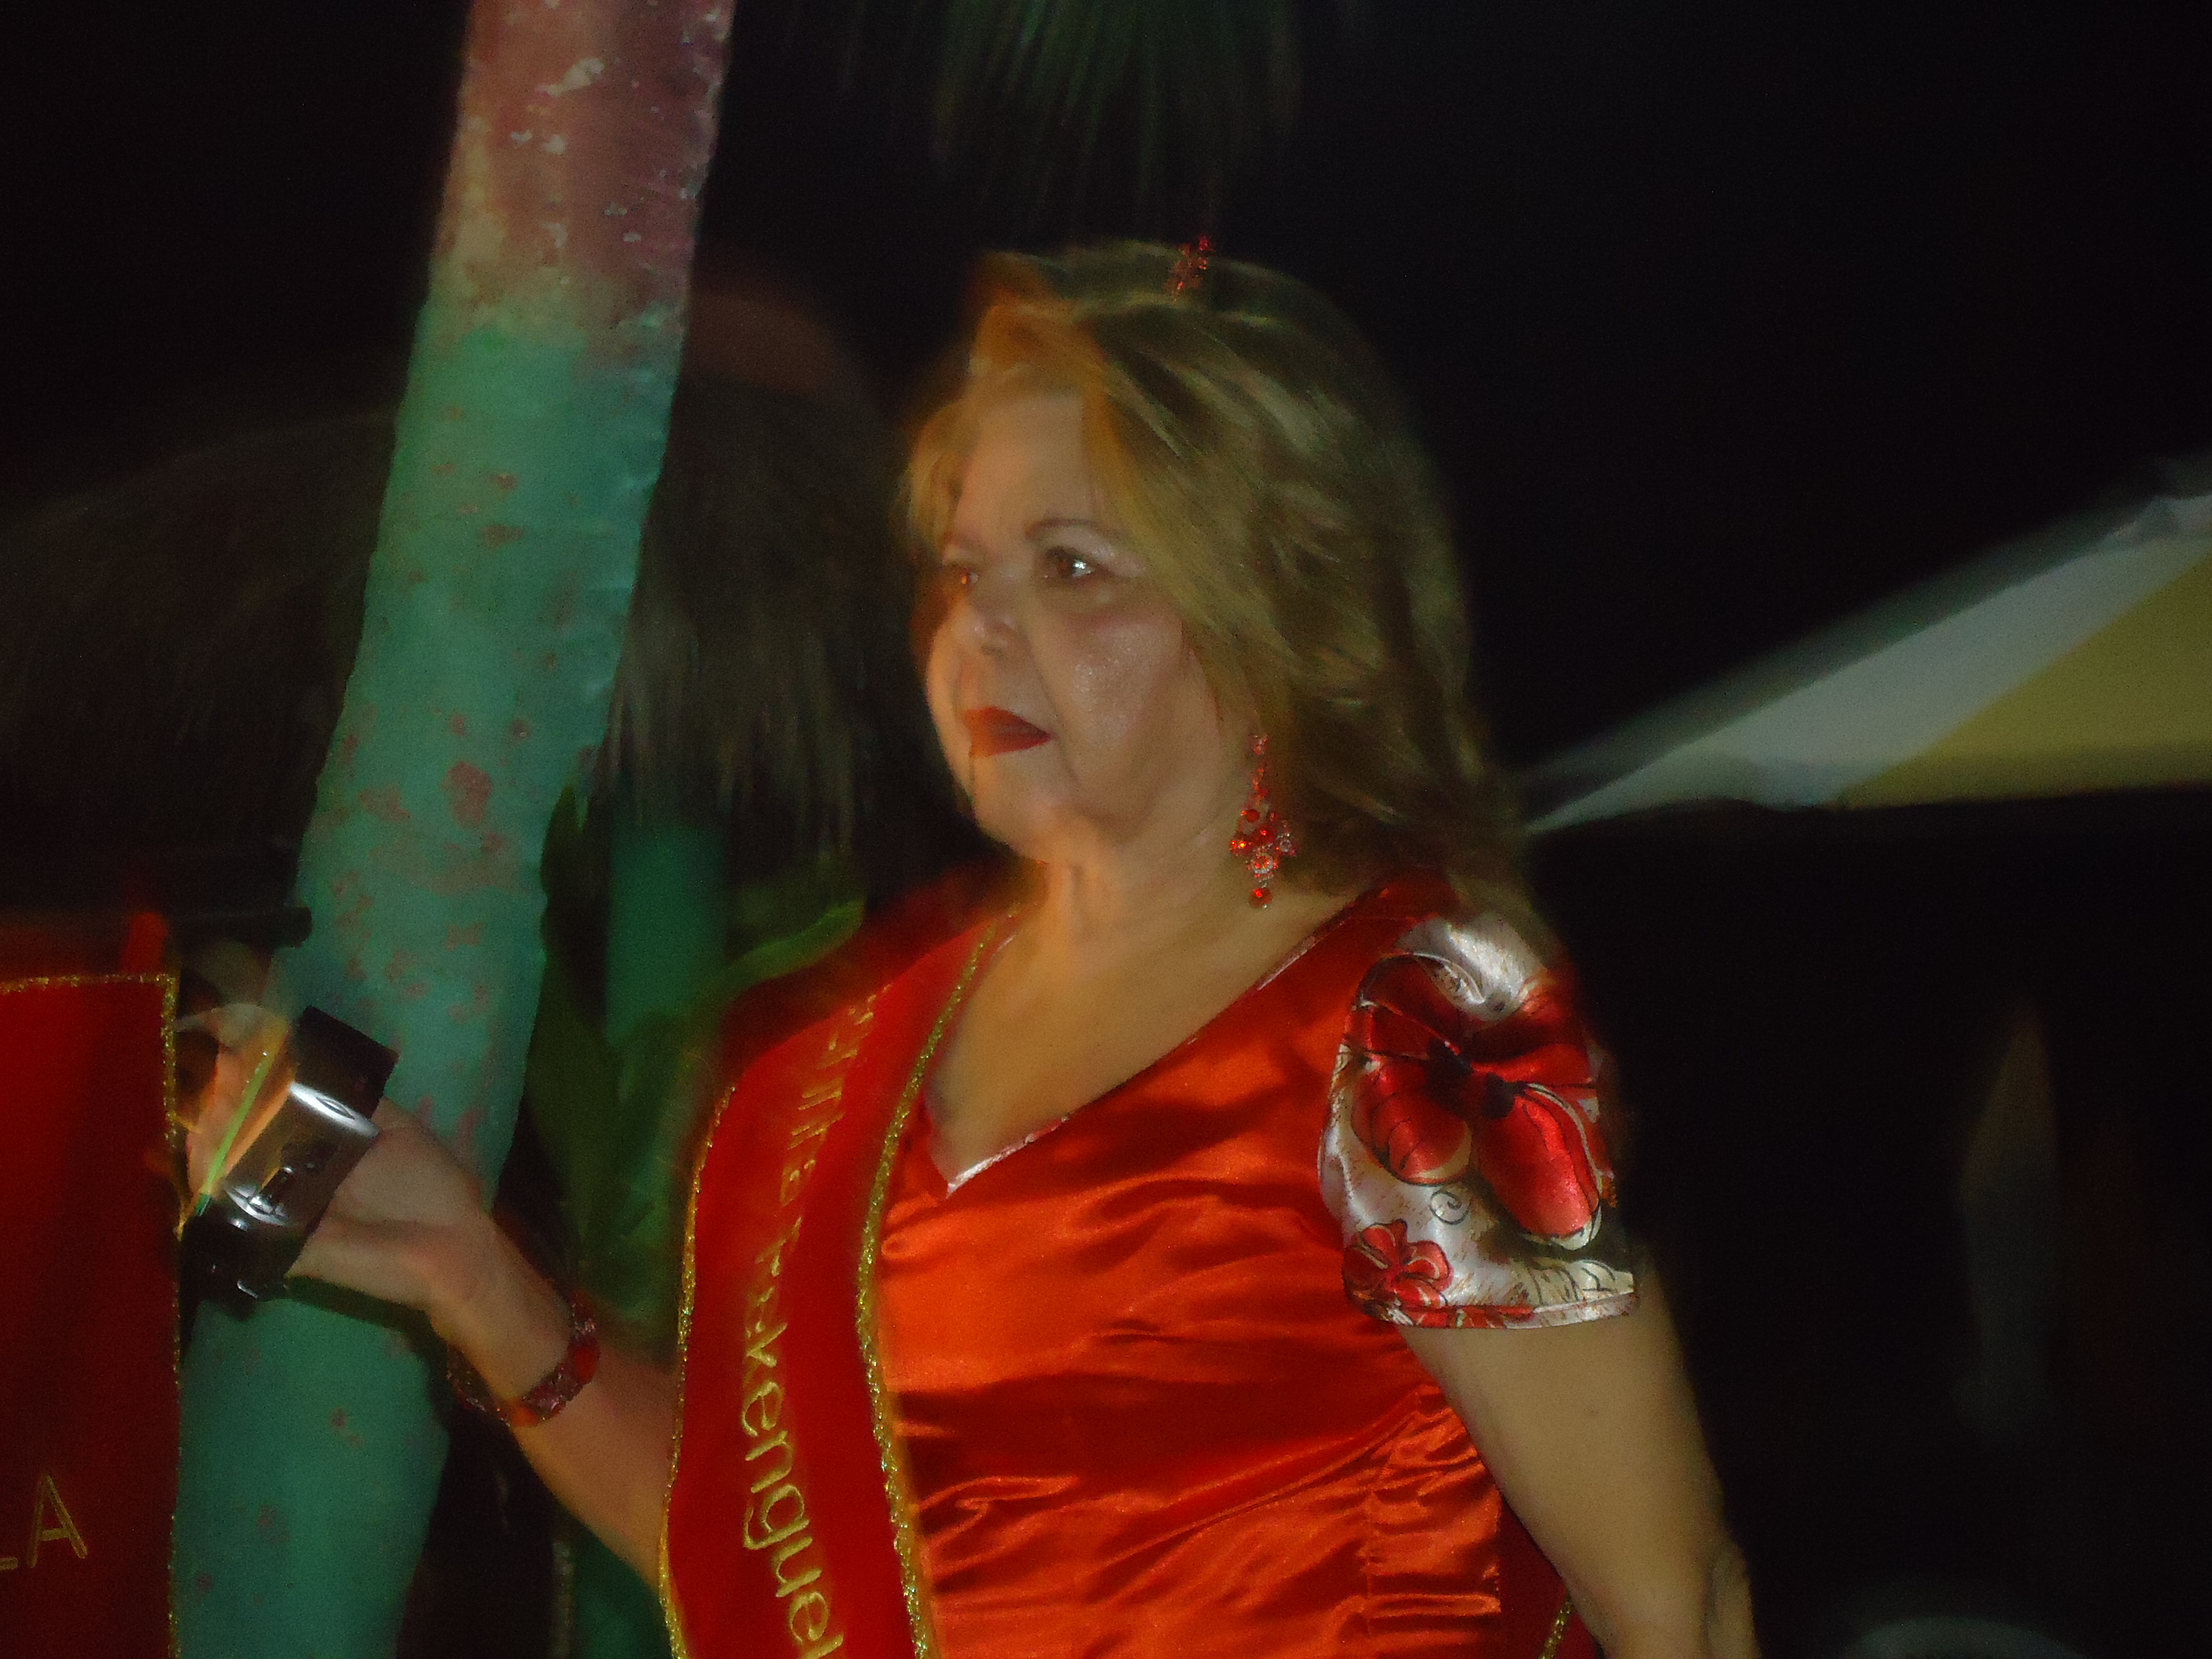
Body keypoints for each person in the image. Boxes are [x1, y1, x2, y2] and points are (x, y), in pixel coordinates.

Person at [246, 242, 1758, 1658]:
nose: (981, 631)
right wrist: (467, 1272)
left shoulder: (1421, 1016)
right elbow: (766, 1573)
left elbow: (1672, 1599)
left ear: (1278, 614)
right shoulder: (843, 1067)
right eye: (965, 572)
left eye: (1074, 568)